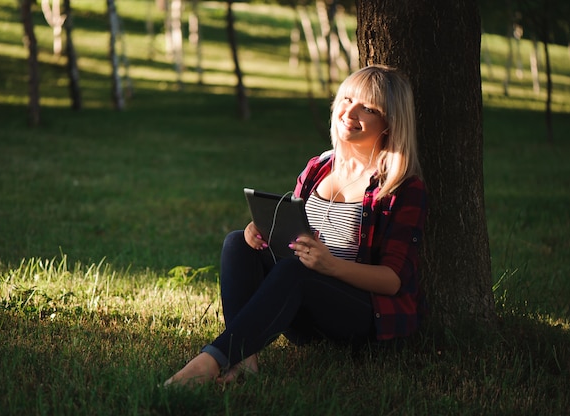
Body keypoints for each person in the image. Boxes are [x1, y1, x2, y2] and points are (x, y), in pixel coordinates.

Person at [165, 64, 427, 386]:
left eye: (368, 108)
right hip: (300, 304)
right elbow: (292, 235)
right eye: (347, 99)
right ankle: (245, 362)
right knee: (237, 242)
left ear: (389, 123)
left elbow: (393, 282)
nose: (350, 112)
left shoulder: (401, 187)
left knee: (296, 271)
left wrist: (329, 266)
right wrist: (263, 233)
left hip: (361, 316)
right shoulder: (319, 166)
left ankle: (210, 362)